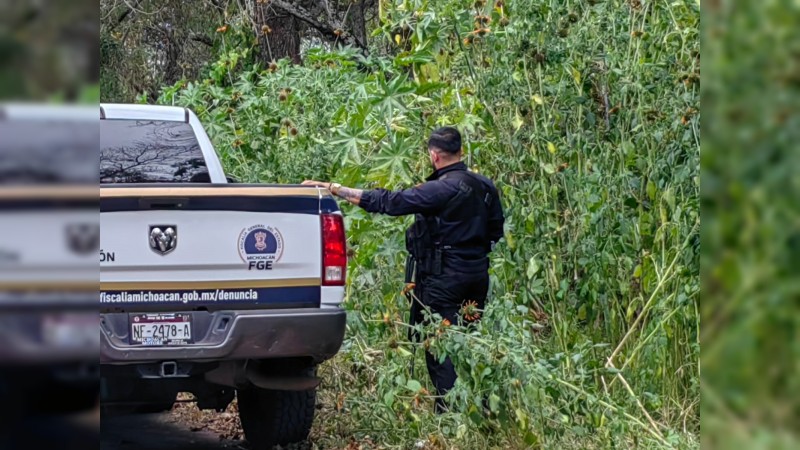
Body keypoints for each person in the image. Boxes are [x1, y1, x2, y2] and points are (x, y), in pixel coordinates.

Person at [302, 126, 504, 413]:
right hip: (477, 276)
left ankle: (451, 415)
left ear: (434, 156)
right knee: (469, 341)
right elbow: (496, 230)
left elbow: (389, 202)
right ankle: (481, 407)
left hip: (443, 278)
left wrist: (334, 188)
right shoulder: (485, 186)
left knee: (439, 345)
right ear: (460, 152)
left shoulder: (440, 189)